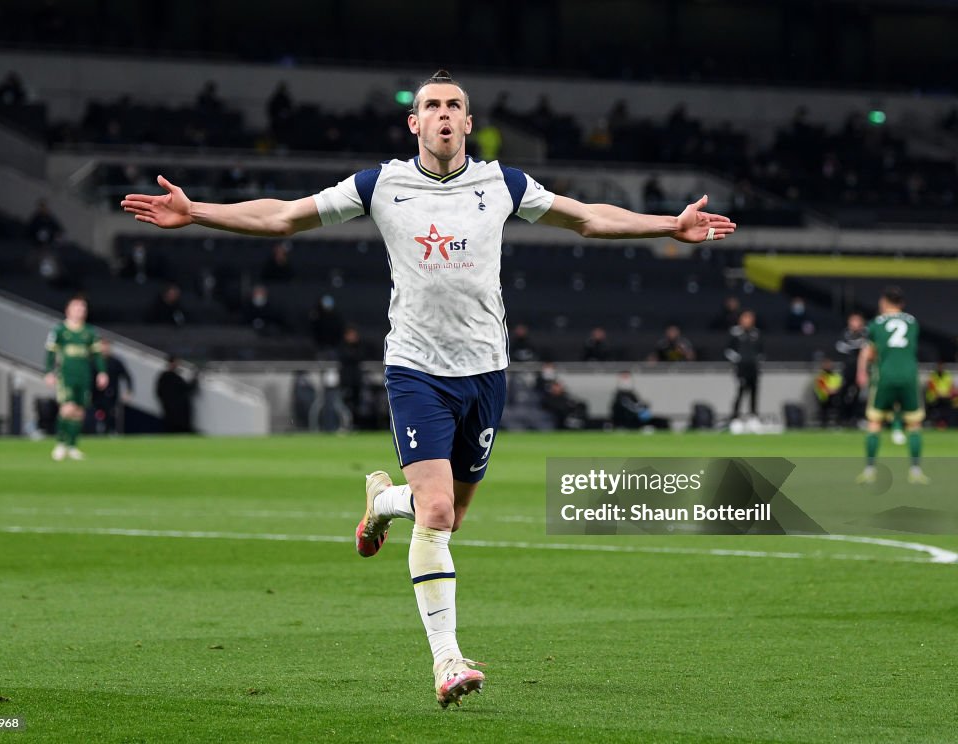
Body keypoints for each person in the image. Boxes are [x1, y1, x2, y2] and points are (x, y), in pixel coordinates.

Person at [120, 69, 736, 708]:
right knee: (438, 513)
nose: (443, 114)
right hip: (415, 371)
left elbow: (588, 219)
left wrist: (669, 225)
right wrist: (196, 212)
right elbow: (282, 217)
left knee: (453, 515)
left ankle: (384, 503)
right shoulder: (381, 184)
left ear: (469, 123)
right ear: (413, 123)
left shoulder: (503, 183)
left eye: (454, 106)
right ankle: (447, 661)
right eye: (432, 106)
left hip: (486, 374)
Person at [856, 286, 928, 484]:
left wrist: (862, 371)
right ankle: (915, 471)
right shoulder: (913, 322)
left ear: (884, 302)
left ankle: (870, 470)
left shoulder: (876, 324)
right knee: (914, 424)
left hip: (885, 377)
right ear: (902, 304)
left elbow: (869, 352)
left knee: (874, 422)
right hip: (909, 377)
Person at [44, 295, 108, 460]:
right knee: (67, 408)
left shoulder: (90, 332)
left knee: (79, 412)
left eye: (83, 308)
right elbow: (50, 353)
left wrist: (102, 372)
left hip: (84, 376)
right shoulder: (60, 331)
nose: (81, 311)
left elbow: (97, 355)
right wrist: (48, 371)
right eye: (77, 308)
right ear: (68, 310)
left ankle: (72, 446)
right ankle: (60, 444)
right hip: (66, 375)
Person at [725, 309, 762, 421]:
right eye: (745, 318)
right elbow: (728, 350)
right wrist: (738, 359)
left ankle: (753, 415)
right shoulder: (735, 333)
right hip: (741, 368)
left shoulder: (755, 333)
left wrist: (757, 359)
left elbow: (761, 351)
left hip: (753, 367)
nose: (748, 321)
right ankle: (735, 416)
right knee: (740, 391)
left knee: (754, 391)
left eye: (750, 318)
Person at [91, 338, 133, 434]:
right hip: (96, 395)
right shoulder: (93, 361)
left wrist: (129, 390)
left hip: (111, 395)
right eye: (102, 346)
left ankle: (112, 432)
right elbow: (88, 378)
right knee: (97, 414)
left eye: (106, 346)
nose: (104, 349)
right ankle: (97, 431)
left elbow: (127, 376)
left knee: (111, 415)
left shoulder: (115, 362)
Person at [835, 312, 866, 425]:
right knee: (843, 394)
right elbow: (840, 347)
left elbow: (867, 347)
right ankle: (842, 419)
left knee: (859, 395)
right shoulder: (845, 334)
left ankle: (857, 418)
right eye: (853, 321)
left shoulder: (865, 334)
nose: (855, 324)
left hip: (861, 371)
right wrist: (856, 347)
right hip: (847, 370)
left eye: (857, 321)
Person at [155, 355, 198, 433]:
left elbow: (158, 392)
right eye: (176, 362)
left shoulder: (170, 377)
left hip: (176, 412)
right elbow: (188, 388)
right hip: (176, 412)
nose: (177, 365)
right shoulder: (169, 377)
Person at [813, 358, 843, 428]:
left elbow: (840, 385)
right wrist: (828, 391)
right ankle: (824, 425)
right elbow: (821, 386)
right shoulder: (821, 376)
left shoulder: (836, 376)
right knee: (824, 410)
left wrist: (835, 390)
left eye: (829, 365)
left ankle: (838, 424)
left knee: (839, 406)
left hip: (835, 396)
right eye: (826, 365)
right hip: (823, 397)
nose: (828, 366)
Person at [925, 361, 954, 428]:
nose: (940, 368)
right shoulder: (932, 375)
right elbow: (931, 387)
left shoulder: (947, 375)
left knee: (947, 407)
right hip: (934, 398)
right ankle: (937, 422)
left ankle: (945, 422)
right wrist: (938, 394)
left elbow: (951, 387)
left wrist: (946, 394)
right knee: (937, 407)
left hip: (945, 398)